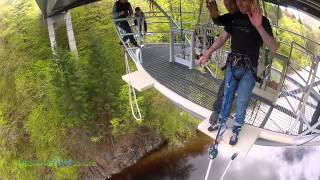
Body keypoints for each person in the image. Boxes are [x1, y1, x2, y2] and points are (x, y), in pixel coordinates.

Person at [199, 0, 277, 145]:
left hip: (249, 68)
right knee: (227, 96)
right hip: (233, 64)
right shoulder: (234, 18)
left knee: (242, 101)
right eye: (238, 0)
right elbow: (222, 37)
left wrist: (259, 26)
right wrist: (208, 52)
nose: (240, 3)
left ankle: (236, 129)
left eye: (243, 0)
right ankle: (221, 123)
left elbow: (273, 48)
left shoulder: (263, 21)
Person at [205, 0, 239, 132]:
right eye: (227, 5)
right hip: (234, 62)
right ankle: (217, 114)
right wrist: (213, 11)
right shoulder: (232, 18)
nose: (230, 7)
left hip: (248, 64)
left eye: (231, 4)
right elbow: (219, 24)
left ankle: (227, 117)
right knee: (225, 88)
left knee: (240, 95)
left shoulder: (250, 18)